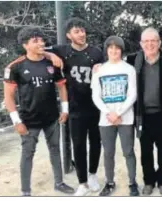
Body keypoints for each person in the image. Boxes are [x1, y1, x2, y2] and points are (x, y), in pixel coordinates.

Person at [3, 27, 75, 196]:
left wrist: (64, 110)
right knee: (28, 154)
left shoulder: (52, 64)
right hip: (28, 120)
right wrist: (16, 121)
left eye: (42, 40)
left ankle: (59, 182)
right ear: (25, 45)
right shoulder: (15, 67)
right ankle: (26, 191)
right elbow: (8, 97)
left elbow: (62, 87)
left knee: (55, 150)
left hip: (51, 118)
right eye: (35, 41)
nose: (41, 43)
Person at [45, 17, 104, 196]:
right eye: (76, 31)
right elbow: (38, 50)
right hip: (75, 106)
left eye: (82, 30)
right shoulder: (61, 50)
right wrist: (51, 55)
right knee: (78, 145)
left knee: (96, 142)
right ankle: (82, 182)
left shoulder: (96, 52)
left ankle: (93, 174)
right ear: (69, 35)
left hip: (95, 105)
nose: (81, 34)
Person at [125, 27, 162, 196]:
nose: (150, 44)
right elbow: (116, 68)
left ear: (159, 43)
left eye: (153, 41)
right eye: (146, 41)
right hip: (142, 116)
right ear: (141, 43)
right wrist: (99, 66)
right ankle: (149, 181)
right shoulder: (132, 60)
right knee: (145, 151)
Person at [91, 36, 139, 196]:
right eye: (110, 48)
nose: (114, 51)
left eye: (117, 48)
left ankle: (132, 182)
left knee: (128, 152)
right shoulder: (99, 70)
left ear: (121, 50)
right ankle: (110, 182)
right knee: (108, 153)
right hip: (106, 119)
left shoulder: (129, 69)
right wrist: (108, 113)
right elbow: (96, 95)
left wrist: (118, 113)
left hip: (125, 118)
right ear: (106, 50)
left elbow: (132, 94)